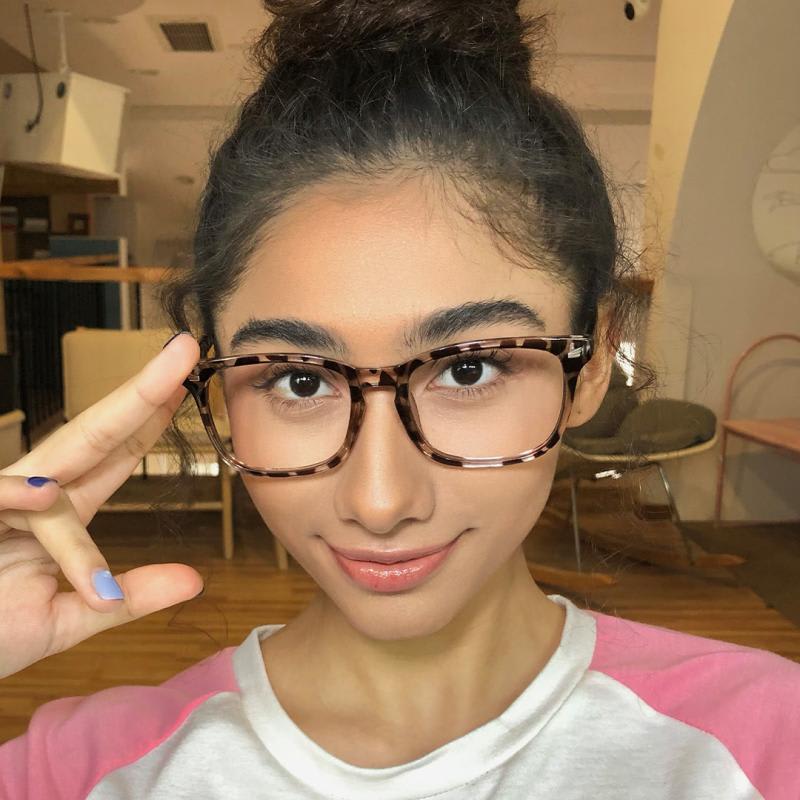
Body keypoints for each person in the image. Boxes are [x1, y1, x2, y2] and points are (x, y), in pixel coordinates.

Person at [1, 1, 798, 797]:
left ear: (589, 366)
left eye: (469, 370)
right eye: (300, 380)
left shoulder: (763, 742)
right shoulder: (78, 771)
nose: (380, 503)